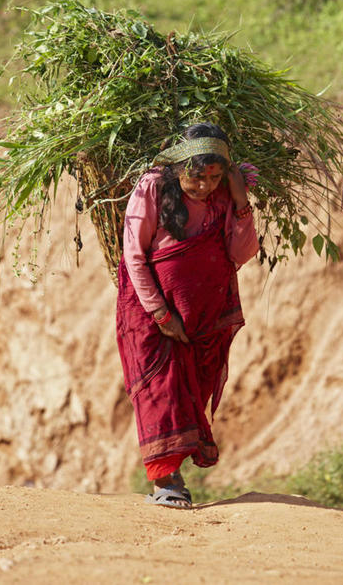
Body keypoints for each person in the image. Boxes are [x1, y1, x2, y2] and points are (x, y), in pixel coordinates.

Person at [116, 122, 259, 508]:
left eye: (214, 178)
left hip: (202, 320)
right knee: (160, 393)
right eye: (196, 178)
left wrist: (240, 198)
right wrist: (162, 314)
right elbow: (134, 255)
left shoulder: (225, 196)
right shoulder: (152, 187)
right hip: (149, 314)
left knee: (187, 391)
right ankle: (168, 483)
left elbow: (241, 253)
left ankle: (174, 478)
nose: (204, 187)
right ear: (177, 169)